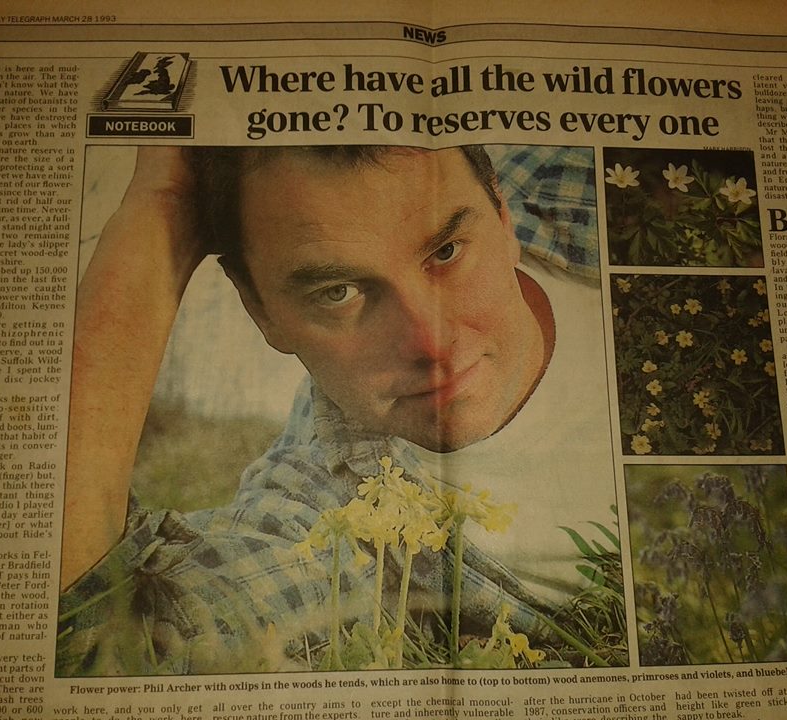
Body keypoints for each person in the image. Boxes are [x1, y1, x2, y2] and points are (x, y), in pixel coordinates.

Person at [56, 144, 615, 675]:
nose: (432, 344)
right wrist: (160, 203)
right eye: (338, 292)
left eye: (445, 253)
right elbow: (104, 648)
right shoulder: (321, 518)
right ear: (260, 310)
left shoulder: (576, 184)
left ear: (501, 213)